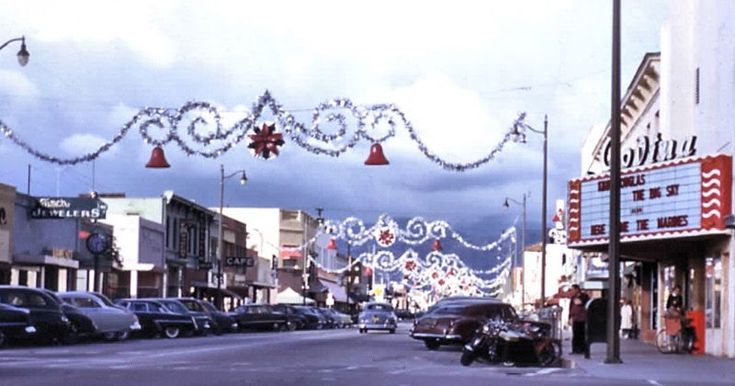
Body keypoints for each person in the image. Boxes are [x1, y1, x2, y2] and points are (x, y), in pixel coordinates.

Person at [568, 284, 589, 354]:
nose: (572, 291)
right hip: (575, 318)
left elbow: (581, 303)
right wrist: (570, 317)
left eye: (573, 289)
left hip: (582, 318)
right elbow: (570, 307)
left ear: (577, 289)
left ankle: (582, 349)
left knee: (582, 334)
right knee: (575, 334)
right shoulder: (573, 298)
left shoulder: (584, 296)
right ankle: (575, 349)